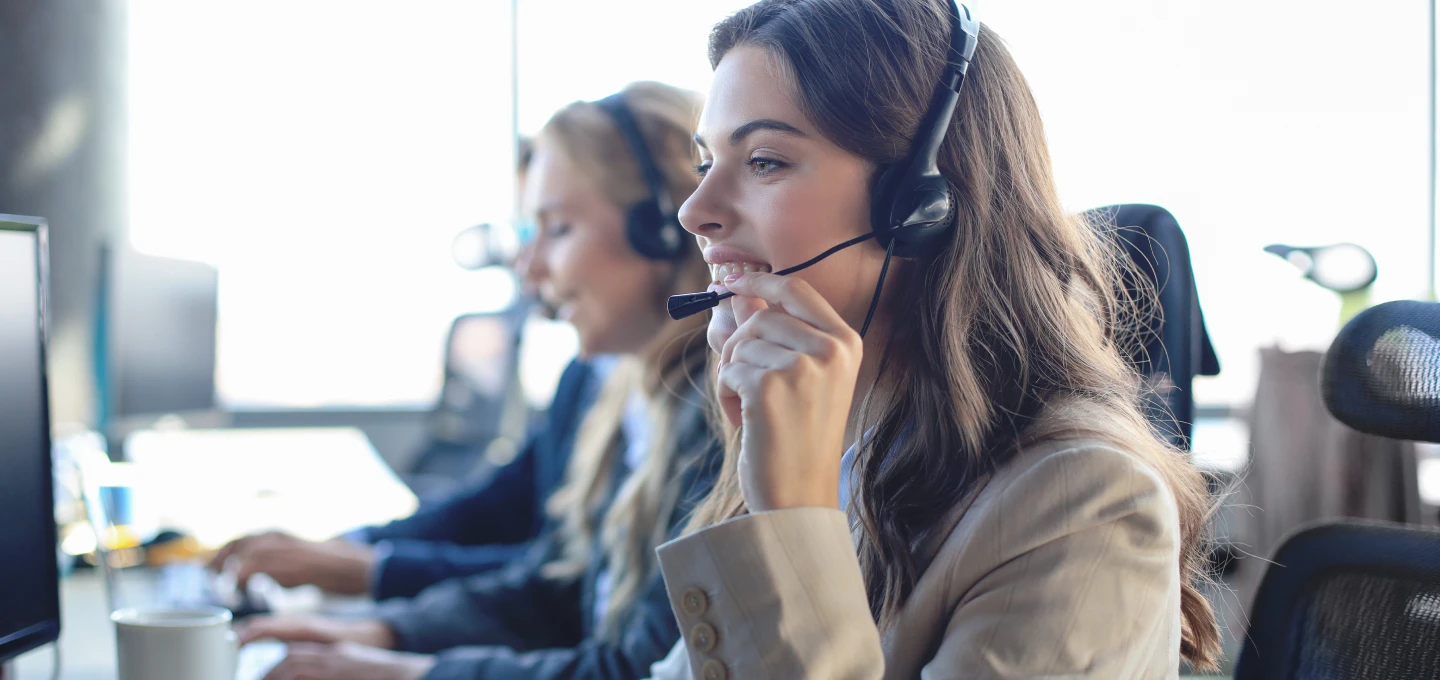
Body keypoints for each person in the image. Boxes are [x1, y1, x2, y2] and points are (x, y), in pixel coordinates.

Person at [643, 1, 1223, 678]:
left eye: (765, 161)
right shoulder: (840, 448)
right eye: (707, 161)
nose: (695, 211)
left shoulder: (1085, 507)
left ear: (918, 207)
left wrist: (791, 522)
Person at [239, 81, 724, 680]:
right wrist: (382, 633)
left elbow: (630, 667)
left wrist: (400, 666)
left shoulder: (717, 413)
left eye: (558, 228)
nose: (529, 268)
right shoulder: (619, 393)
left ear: (661, 227)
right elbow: (557, 587)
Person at [210, 138, 602, 603]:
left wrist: (369, 575)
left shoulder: (674, 401)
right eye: (524, 232)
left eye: (556, 229)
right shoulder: (586, 376)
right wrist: (345, 549)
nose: (526, 263)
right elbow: (493, 510)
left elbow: (561, 582)